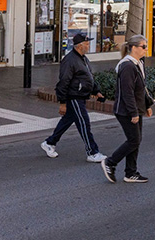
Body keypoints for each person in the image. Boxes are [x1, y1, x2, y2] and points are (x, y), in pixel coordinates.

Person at [41, 33, 107, 162]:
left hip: (80, 95)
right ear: (79, 46)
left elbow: (89, 77)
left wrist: (96, 91)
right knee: (84, 124)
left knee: (67, 121)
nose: (88, 46)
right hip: (74, 97)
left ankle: (49, 143)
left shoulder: (83, 58)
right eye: (86, 44)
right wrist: (62, 102)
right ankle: (92, 152)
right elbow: (63, 81)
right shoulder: (70, 60)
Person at [102, 35, 153, 184]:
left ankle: (131, 173)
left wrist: (146, 106)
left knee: (136, 140)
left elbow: (141, 88)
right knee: (134, 140)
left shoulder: (138, 63)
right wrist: (133, 113)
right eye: (143, 46)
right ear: (134, 47)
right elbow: (127, 92)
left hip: (136, 109)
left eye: (146, 46)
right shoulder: (127, 66)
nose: (146, 49)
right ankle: (110, 162)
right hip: (126, 111)